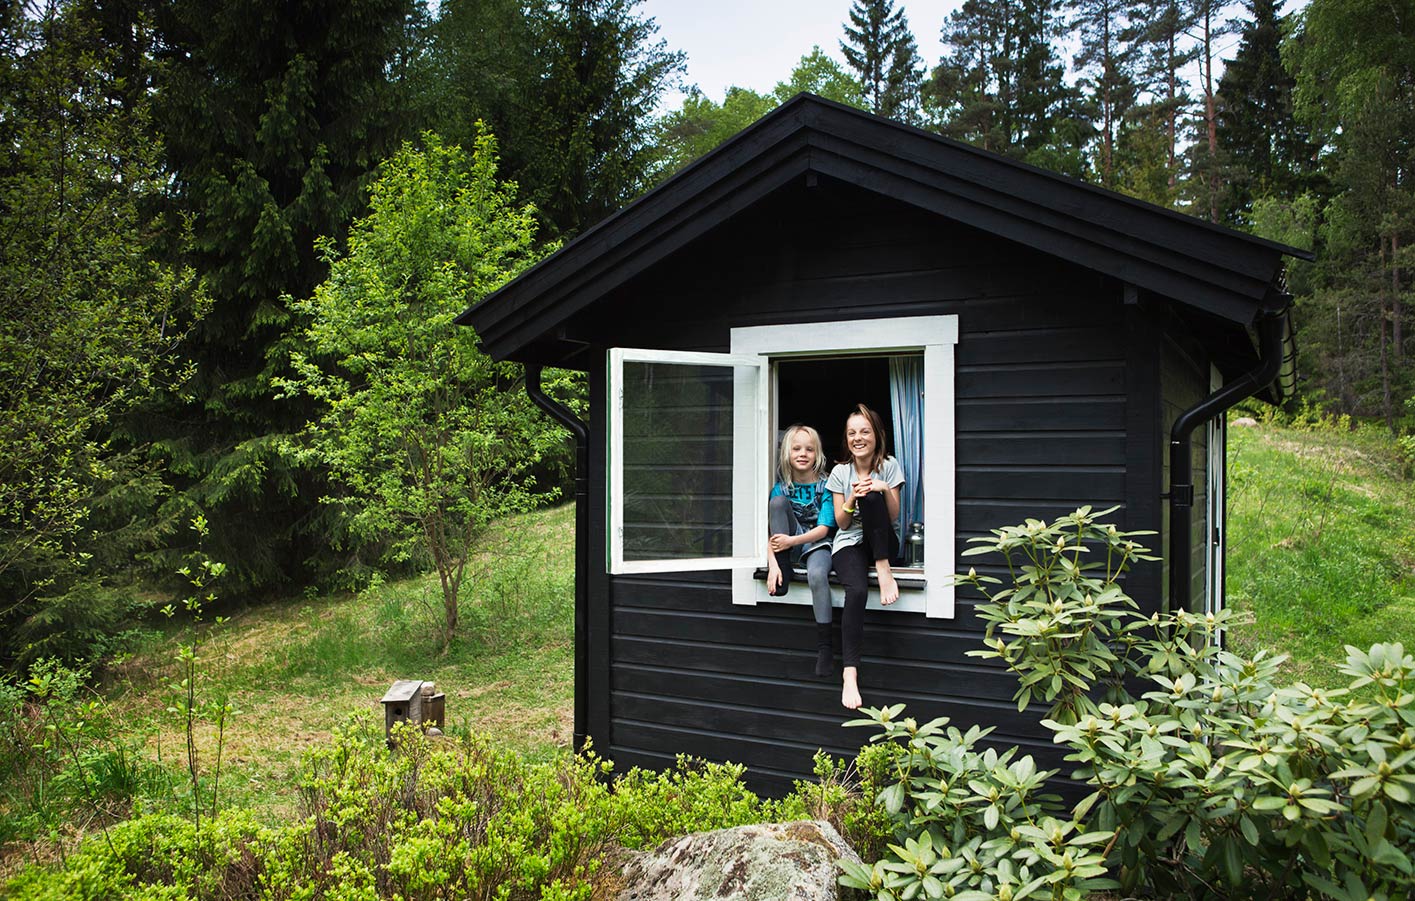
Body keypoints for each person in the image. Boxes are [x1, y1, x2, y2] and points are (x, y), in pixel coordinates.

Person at [826, 404, 904, 710]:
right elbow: (841, 523)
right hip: (849, 543)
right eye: (852, 433)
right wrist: (851, 499)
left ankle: (884, 570)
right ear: (846, 439)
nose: (858, 438)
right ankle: (849, 674)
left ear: (877, 435)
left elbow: (895, 516)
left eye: (865, 431)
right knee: (856, 591)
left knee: (873, 495)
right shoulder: (839, 472)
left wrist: (882, 488)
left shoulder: (890, 466)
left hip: (883, 541)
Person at [766, 424, 837, 677]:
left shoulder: (827, 485)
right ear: (787, 453)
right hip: (790, 542)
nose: (802, 453)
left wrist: (790, 542)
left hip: (818, 543)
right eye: (796, 448)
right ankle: (784, 569)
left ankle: (825, 647)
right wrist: (773, 563)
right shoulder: (781, 488)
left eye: (809, 449)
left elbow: (824, 529)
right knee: (777, 503)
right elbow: (769, 533)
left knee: (817, 576)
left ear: (817, 454)